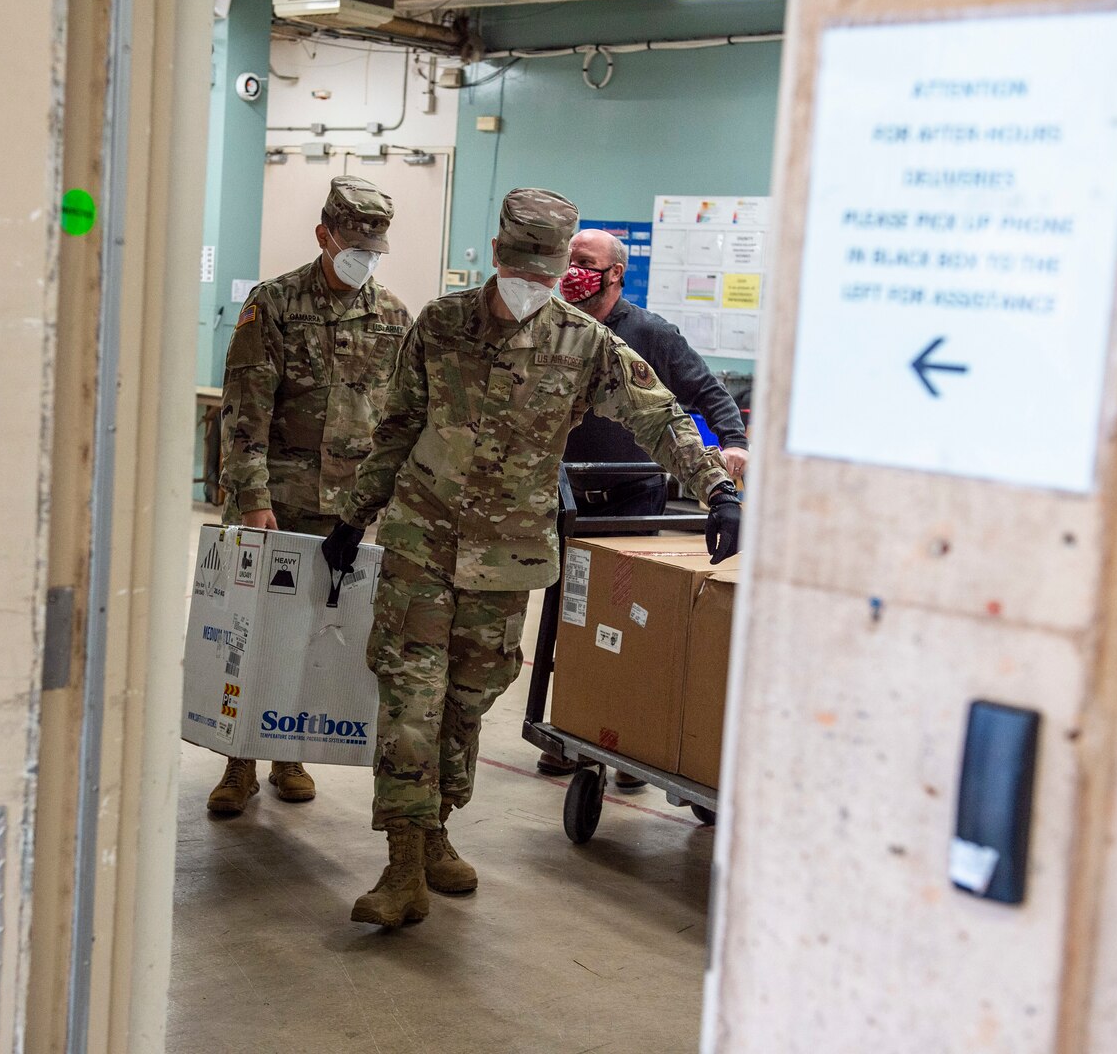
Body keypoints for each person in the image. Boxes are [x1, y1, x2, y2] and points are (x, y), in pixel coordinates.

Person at [320, 188, 741, 928]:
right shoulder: (442, 323)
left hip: (506, 558)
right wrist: (355, 516)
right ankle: (401, 863)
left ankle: (437, 828)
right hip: (423, 539)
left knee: (468, 701)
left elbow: (659, 414)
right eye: (525, 265)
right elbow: (398, 424)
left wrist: (716, 490)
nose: (532, 282)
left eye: (544, 272)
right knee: (410, 697)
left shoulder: (585, 342)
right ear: (496, 253)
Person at [207, 175, 412, 816]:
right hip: (279, 501)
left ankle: (286, 750)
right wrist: (251, 497)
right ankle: (238, 760)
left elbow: (403, 417)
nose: (365, 259)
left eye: (375, 250)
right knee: (258, 631)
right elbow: (244, 411)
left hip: (350, 512)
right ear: (324, 235)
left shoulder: (394, 317)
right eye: (354, 245)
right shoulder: (274, 305)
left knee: (319, 634)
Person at [538, 227, 752, 787]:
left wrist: (732, 443)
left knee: (627, 617)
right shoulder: (553, 323)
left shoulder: (650, 334)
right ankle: (577, 732)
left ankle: (628, 732)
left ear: (614, 275)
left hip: (631, 493)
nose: (572, 270)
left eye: (584, 262)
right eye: (568, 260)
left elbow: (708, 392)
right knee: (569, 615)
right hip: (564, 494)